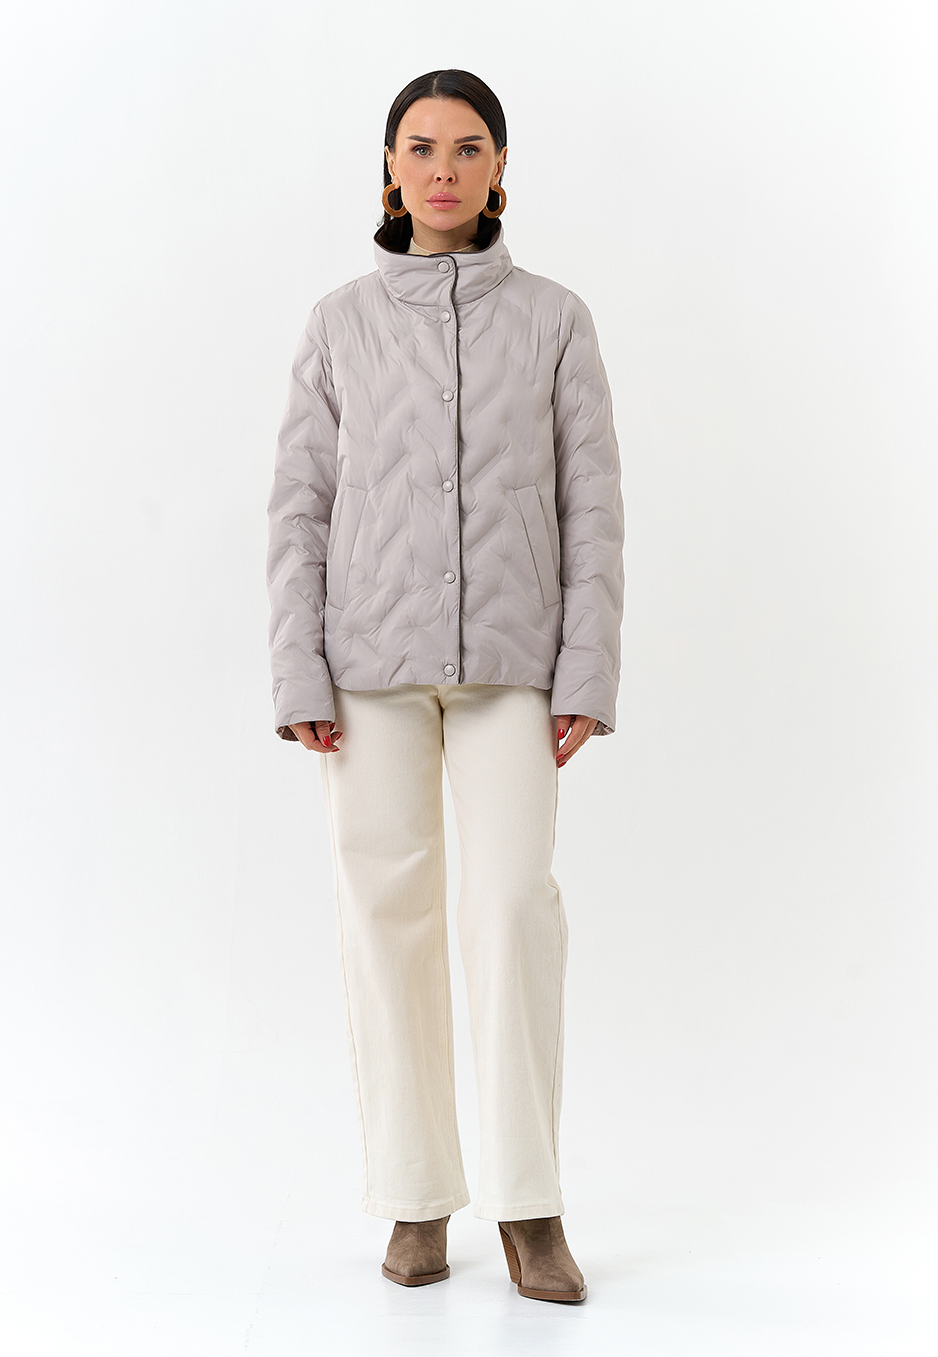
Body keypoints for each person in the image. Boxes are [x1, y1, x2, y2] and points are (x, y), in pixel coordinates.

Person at [266, 68, 624, 1305]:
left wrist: (586, 667)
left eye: (467, 148)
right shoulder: (338, 323)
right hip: (364, 666)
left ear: (498, 169)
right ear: (388, 168)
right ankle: (415, 1194)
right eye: (419, 148)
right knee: (386, 912)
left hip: (512, 666)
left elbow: (593, 506)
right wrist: (297, 667)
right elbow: (298, 507)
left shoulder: (556, 319)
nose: (441, 168)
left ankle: (529, 1202)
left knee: (513, 906)